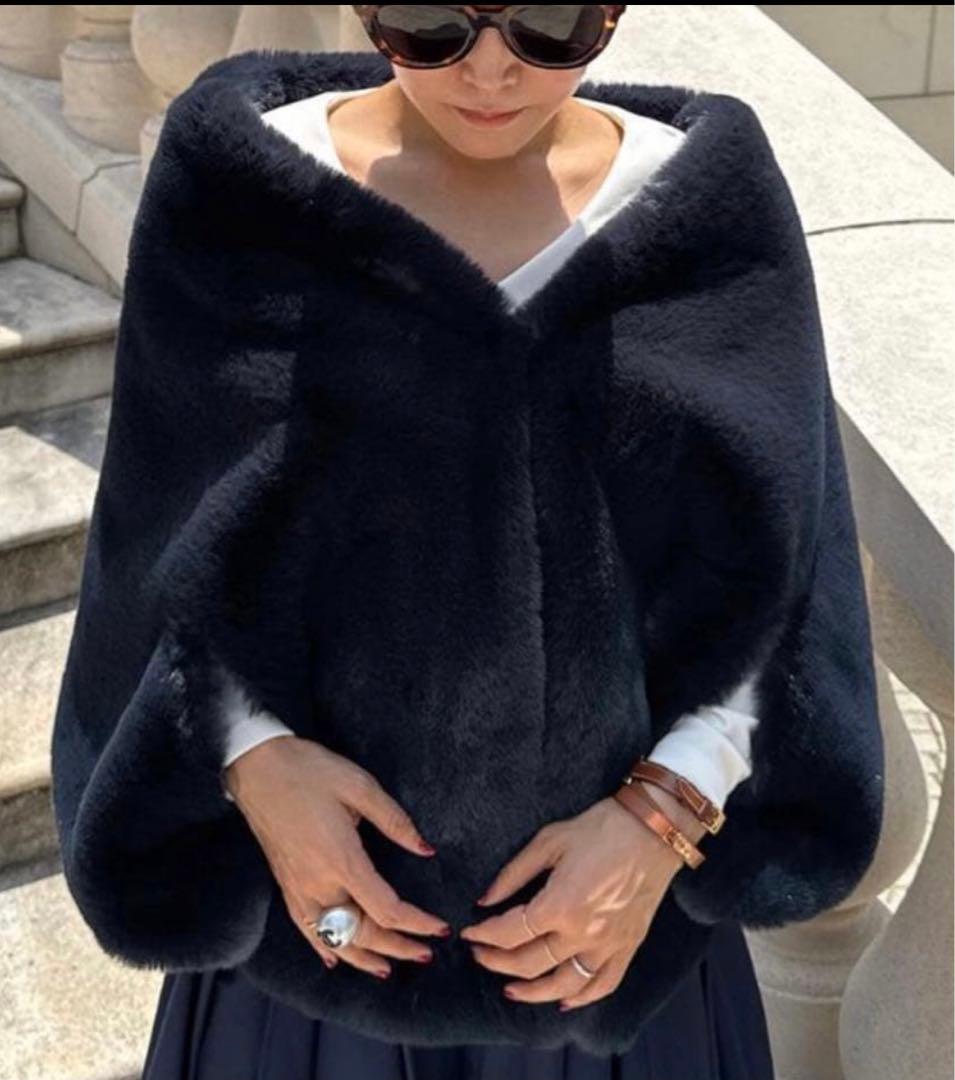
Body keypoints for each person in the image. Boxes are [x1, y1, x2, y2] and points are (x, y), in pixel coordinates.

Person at [137, 6, 777, 1077]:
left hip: (609, 937)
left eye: (548, 22)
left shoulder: (699, 204)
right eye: (430, 19)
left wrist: (665, 815)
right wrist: (249, 759)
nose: (488, 70)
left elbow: (781, 561)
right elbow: (162, 531)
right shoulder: (249, 189)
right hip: (314, 924)